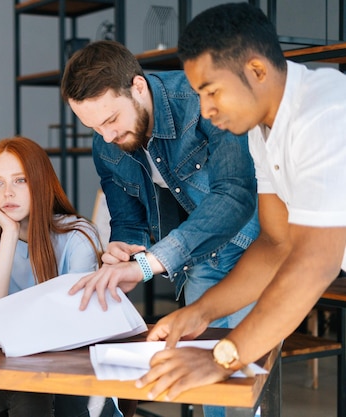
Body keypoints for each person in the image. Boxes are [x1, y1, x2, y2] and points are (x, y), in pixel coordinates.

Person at [134, 1, 346, 402]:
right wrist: (202, 312)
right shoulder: (262, 128)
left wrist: (222, 357)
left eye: (212, 91)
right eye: (199, 95)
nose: (207, 110)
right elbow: (275, 244)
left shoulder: (324, 114)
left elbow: (315, 261)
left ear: (257, 71)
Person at [60, 40, 259, 324]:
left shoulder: (202, 101)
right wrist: (124, 250)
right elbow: (128, 222)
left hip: (252, 249)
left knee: (249, 361)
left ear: (138, 87)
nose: (106, 136)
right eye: (94, 127)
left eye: (112, 119)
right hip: (197, 259)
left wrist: (145, 265)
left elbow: (232, 196)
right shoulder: (105, 143)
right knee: (204, 361)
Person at [0, 137, 118, 417]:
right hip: (20, 388)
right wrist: (7, 234)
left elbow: (72, 319)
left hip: (76, 386)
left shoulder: (78, 235)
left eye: (20, 180)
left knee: (29, 386)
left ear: (40, 182)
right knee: (25, 383)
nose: (7, 193)